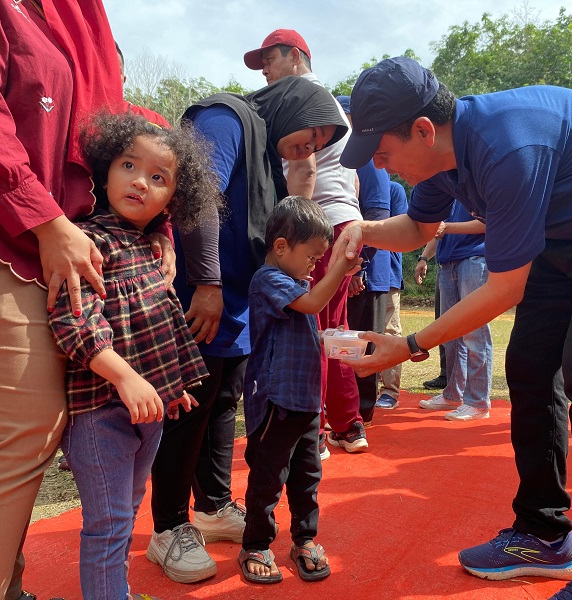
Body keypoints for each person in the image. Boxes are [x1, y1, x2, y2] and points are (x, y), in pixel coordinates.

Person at [336, 56, 572, 600]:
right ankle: (544, 533)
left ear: (424, 130)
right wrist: (361, 230)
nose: (382, 169)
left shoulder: (509, 146)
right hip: (567, 233)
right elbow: (416, 227)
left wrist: (406, 345)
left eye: (384, 154)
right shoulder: (440, 159)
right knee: (527, 367)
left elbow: (504, 289)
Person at [0, 3, 155, 598]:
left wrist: (164, 232)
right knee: (25, 428)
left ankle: (8, 582)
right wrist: (47, 221)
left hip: (49, 242)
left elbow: (127, 140)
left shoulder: (80, 17)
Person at [146, 75, 349, 584]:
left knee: (222, 404)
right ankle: (168, 526)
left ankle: (213, 507)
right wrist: (208, 283)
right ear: (290, 106)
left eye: (320, 145)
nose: (310, 147)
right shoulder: (226, 117)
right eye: (310, 133)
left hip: (240, 301)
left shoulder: (270, 159)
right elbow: (198, 194)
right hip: (206, 291)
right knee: (190, 407)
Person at [48, 112, 221, 600]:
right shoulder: (88, 242)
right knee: (108, 524)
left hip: (150, 414)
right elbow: (74, 322)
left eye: (159, 178)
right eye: (129, 165)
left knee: (129, 507)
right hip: (101, 413)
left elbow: (159, 326)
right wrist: (125, 378)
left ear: (173, 199)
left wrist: (173, 385)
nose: (141, 182)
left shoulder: (150, 247)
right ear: (105, 171)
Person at [244, 30, 368, 452]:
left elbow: (304, 171)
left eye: (270, 59)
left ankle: (309, 430)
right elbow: (351, 177)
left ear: (296, 57)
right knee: (335, 329)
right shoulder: (335, 107)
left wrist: (296, 230)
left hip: (315, 225)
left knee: (307, 328)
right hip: (344, 221)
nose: (265, 68)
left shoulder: (304, 100)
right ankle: (349, 425)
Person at [240, 196, 360, 584]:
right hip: (278, 400)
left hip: (307, 401)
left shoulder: (297, 282)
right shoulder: (269, 279)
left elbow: (308, 318)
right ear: (280, 247)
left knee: (308, 475)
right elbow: (310, 305)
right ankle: (256, 543)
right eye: (311, 257)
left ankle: (304, 539)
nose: (314, 266)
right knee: (269, 476)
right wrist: (340, 268)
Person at [337, 94, 392, 428]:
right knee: (346, 340)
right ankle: (347, 410)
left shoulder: (368, 160)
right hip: (353, 266)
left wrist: (361, 265)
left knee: (362, 340)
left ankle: (362, 411)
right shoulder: (349, 158)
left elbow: (378, 215)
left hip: (366, 270)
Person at [414, 201, 493, 421]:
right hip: (447, 263)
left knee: (475, 331)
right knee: (450, 334)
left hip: (474, 259)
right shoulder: (448, 193)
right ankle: (453, 395)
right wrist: (424, 257)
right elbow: (440, 228)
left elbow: (488, 223)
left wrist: (448, 228)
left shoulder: (476, 186)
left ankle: (478, 402)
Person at [376, 181, 410, 409]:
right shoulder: (350, 184)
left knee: (389, 329)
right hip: (355, 273)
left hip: (386, 271)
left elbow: (404, 232)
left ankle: (390, 390)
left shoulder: (393, 190)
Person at [115, 41, 171, 128]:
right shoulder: (86, 119)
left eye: (115, 71)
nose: (108, 77)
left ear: (124, 80)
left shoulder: (154, 121)